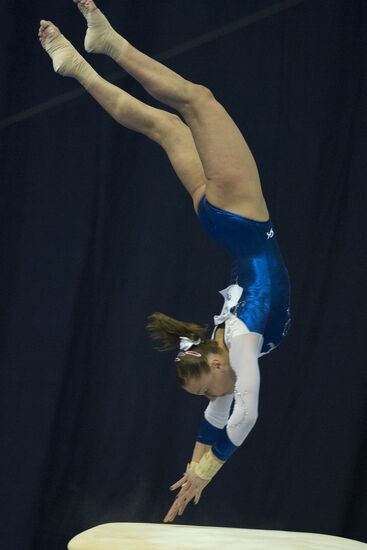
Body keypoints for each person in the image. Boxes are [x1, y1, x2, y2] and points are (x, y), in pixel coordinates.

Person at [39, 0, 291, 524]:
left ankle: (96, 54)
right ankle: (84, 59)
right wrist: (199, 471)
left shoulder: (234, 342)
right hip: (223, 219)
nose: (209, 400)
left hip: (238, 217)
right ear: (215, 366)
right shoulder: (234, 344)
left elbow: (230, 414)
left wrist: (201, 469)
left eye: (203, 390)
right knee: (174, 118)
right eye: (206, 390)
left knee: (191, 108)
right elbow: (234, 413)